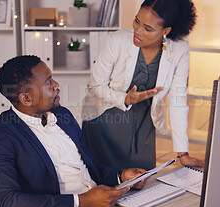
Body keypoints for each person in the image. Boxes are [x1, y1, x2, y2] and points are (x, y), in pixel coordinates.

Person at [0, 55, 148, 207]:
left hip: (106, 204)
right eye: (48, 83)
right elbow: (7, 202)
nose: (56, 85)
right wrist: (82, 201)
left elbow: (90, 168)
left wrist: (121, 176)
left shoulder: (62, 115)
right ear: (26, 99)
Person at [82, 0, 204, 170]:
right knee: (107, 184)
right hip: (106, 122)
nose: (137, 31)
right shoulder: (117, 41)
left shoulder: (179, 50)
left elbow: (178, 100)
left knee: (143, 184)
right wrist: (124, 98)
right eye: (137, 21)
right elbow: (95, 86)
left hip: (144, 127)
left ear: (166, 31)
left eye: (148, 29)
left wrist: (182, 153)